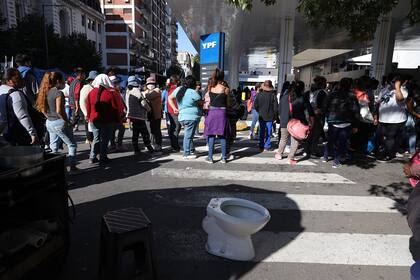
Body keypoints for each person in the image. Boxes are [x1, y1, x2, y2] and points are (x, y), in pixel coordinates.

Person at [36, 72, 78, 172]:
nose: (64, 82)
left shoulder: (44, 92)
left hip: (49, 122)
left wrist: (49, 117)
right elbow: (59, 111)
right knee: (72, 145)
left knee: (53, 147)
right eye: (63, 80)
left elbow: (42, 109)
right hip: (59, 122)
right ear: (58, 81)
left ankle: (53, 170)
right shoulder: (59, 93)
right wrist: (67, 121)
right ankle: (73, 168)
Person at [324, 78, 360, 168]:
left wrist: (328, 116)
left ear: (340, 85)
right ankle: (336, 161)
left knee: (331, 140)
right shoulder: (352, 96)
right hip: (346, 122)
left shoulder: (332, 94)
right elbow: (356, 111)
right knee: (342, 142)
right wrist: (356, 125)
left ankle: (326, 156)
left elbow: (325, 106)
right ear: (350, 85)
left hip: (332, 121)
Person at [276, 81, 314, 165]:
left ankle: (279, 154)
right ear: (302, 88)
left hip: (284, 121)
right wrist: (311, 122)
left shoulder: (284, 97)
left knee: (283, 139)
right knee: (295, 141)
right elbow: (310, 111)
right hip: (297, 123)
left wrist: (280, 118)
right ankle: (290, 158)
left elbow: (279, 110)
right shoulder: (303, 98)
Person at [86, 74, 121, 164]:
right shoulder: (109, 93)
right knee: (104, 140)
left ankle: (92, 157)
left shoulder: (91, 92)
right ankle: (103, 157)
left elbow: (88, 106)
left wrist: (89, 117)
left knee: (96, 139)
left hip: (94, 119)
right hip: (107, 120)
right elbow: (115, 108)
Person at [374, 74, 409, 161]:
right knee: (380, 136)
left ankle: (389, 155)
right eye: (391, 82)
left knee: (390, 138)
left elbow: (400, 99)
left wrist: (397, 87)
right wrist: (376, 116)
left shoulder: (403, 90)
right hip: (382, 119)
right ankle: (383, 151)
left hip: (396, 120)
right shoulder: (384, 90)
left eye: (395, 82)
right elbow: (378, 103)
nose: (392, 83)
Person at [0, 68, 38, 145]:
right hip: (18, 133)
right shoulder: (16, 94)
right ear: (9, 81)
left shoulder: (1, 90)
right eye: (18, 78)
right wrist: (33, 134)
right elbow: (22, 116)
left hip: (4, 133)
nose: (22, 80)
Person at [168, 76, 202, 159]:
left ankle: (191, 150)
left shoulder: (178, 89)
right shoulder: (192, 92)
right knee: (188, 136)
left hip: (182, 116)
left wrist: (174, 108)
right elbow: (200, 102)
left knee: (188, 134)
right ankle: (187, 153)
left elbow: (170, 98)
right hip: (191, 117)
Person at [204, 69, 230, 164]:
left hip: (212, 112)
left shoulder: (210, 87)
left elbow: (208, 100)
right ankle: (223, 158)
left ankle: (210, 157)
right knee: (222, 135)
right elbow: (228, 103)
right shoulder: (225, 89)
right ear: (223, 77)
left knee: (211, 135)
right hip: (222, 112)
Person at [125, 76, 155, 155]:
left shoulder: (128, 91)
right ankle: (149, 148)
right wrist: (149, 109)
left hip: (132, 115)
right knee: (144, 132)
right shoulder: (137, 91)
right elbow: (143, 103)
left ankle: (136, 150)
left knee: (135, 133)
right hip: (139, 116)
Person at [351, 77, 375, 155]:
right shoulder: (364, 95)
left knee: (353, 136)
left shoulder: (351, 93)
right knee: (363, 135)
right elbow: (370, 106)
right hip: (363, 118)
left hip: (352, 117)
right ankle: (362, 151)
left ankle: (352, 150)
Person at [253, 80, 278, 152]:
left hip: (261, 115)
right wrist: (275, 117)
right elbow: (276, 107)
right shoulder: (273, 96)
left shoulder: (259, 94)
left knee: (262, 130)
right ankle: (267, 146)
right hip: (270, 116)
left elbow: (255, 105)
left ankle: (261, 145)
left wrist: (259, 111)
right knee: (269, 131)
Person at [306, 76, 327, 158]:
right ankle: (314, 150)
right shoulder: (322, 92)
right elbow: (324, 106)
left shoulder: (310, 92)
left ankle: (308, 149)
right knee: (316, 134)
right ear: (322, 83)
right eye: (325, 83)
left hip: (309, 115)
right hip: (318, 116)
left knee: (310, 133)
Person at [144, 77, 163, 155]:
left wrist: (143, 94)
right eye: (149, 84)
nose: (150, 85)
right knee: (149, 131)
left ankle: (158, 144)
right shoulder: (146, 91)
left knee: (156, 130)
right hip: (148, 114)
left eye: (152, 84)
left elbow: (150, 96)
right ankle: (151, 143)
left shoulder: (157, 90)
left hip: (156, 114)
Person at [79, 71, 98, 144]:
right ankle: (92, 147)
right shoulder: (87, 88)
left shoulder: (93, 87)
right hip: (88, 113)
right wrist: (86, 114)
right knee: (91, 132)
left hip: (92, 113)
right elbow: (82, 102)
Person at [109, 75, 126, 151]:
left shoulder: (116, 91)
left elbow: (121, 102)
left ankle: (113, 144)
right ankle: (118, 144)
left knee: (113, 130)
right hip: (114, 114)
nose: (117, 84)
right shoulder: (112, 92)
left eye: (117, 83)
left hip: (116, 114)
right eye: (115, 83)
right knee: (120, 129)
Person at [165, 75, 181, 152]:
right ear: (176, 81)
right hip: (175, 111)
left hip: (170, 111)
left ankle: (173, 145)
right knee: (176, 128)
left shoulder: (169, 88)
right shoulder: (176, 89)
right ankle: (175, 146)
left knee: (173, 128)